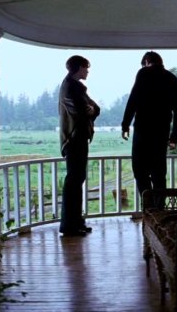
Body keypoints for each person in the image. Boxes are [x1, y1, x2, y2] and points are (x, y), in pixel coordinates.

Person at [121, 51, 177, 203]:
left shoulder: (144, 73)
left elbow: (133, 100)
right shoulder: (172, 78)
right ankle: (160, 210)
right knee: (158, 172)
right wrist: (174, 137)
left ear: (147, 61)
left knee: (140, 170)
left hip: (143, 130)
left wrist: (125, 125)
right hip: (162, 132)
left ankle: (148, 207)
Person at [58, 55, 100, 236]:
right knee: (74, 181)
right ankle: (70, 225)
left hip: (78, 138)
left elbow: (95, 108)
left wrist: (92, 109)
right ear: (78, 68)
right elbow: (82, 111)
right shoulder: (70, 87)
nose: (88, 71)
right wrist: (90, 110)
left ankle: (76, 222)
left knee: (76, 180)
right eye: (85, 67)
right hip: (74, 139)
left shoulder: (75, 87)